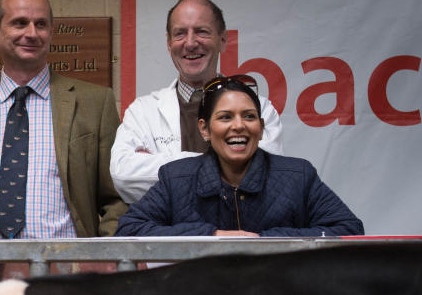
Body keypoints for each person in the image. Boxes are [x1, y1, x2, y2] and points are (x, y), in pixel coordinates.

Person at [0, 0, 127, 239]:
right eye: (20, 23)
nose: (31, 33)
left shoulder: (95, 103)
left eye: (41, 24)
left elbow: (117, 198)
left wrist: (105, 255)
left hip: (66, 266)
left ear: (52, 32)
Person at [115, 76, 363, 237]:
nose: (238, 126)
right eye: (225, 117)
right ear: (204, 128)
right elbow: (128, 230)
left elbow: (349, 230)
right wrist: (213, 236)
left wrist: (264, 241)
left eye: (249, 116)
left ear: (261, 126)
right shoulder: (176, 178)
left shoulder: (299, 176)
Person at [110, 0, 284, 204]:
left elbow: (264, 177)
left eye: (201, 32)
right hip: (170, 236)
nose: (190, 43)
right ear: (168, 43)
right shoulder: (142, 111)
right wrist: (226, 166)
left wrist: (169, 169)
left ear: (223, 40)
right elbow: (123, 176)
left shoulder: (260, 109)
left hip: (239, 233)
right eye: (180, 34)